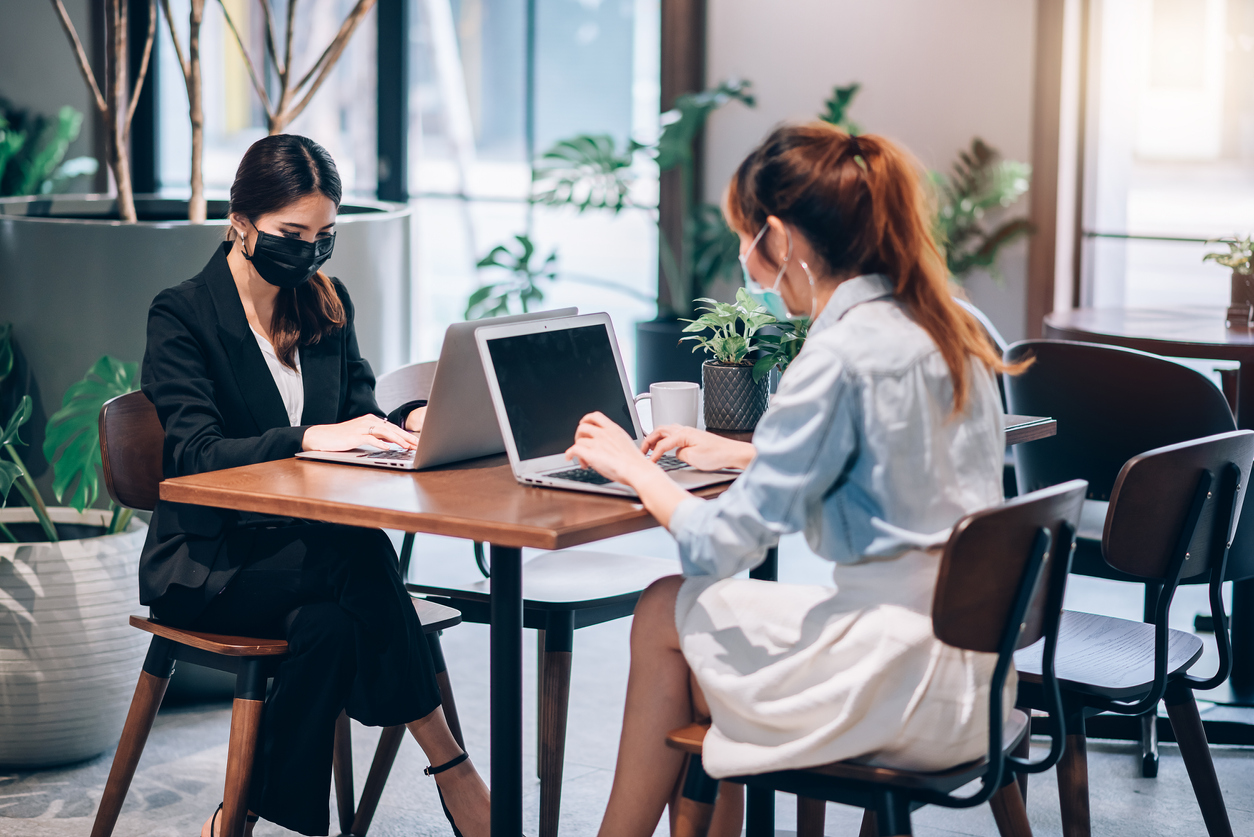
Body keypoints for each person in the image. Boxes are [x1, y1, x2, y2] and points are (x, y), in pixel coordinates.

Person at [565, 124, 1025, 836]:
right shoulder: (953, 324)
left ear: (779, 237)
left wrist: (631, 465)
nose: (746, 259)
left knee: (665, 608)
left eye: (748, 238)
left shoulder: (840, 355)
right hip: (979, 680)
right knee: (695, 641)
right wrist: (745, 454)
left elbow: (720, 548)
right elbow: (899, 467)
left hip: (897, 682)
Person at [140, 134, 489, 837]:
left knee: (328, 628)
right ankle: (454, 767)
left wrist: (409, 420)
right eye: (291, 234)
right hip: (212, 561)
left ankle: (240, 822)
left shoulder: (325, 304)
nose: (307, 253)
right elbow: (194, 453)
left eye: (324, 235)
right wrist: (305, 438)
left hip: (306, 565)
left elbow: (358, 412)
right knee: (357, 554)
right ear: (240, 220)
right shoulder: (182, 314)